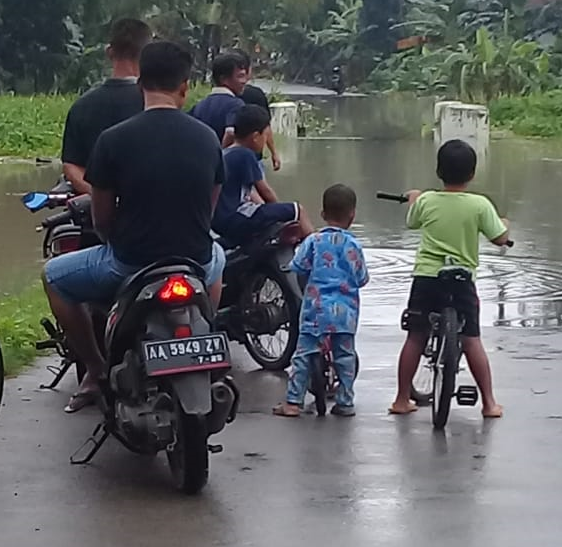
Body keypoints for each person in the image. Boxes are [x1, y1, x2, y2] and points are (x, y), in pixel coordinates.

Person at [44, 40, 227, 413]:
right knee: (218, 255)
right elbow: (209, 208)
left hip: (131, 263)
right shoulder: (208, 138)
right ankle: (204, 336)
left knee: (53, 277)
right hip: (194, 261)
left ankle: (95, 368)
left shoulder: (113, 140)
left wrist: (117, 239)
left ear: (141, 83)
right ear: (184, 86)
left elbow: (102, 218)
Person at [389, 139, 510, 419]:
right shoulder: (480, 205)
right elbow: (500, 238)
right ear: (472, 174)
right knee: (471, 340)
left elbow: (412, 222)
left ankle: (401, 399)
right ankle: (490, 403)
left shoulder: (428, 200)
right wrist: (505, 225)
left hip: (427, 277)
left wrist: (415, 199)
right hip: (462, 280)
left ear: (438, 171)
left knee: (416, 336)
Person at [274, 184, 368, 419]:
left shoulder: (314, 241)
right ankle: (345, 403)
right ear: (352, 215)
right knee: (345, 357)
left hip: (315, 310)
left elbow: (297, 267)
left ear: (323, 214)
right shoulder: (354, 245)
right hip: (346, 313)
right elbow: (362, 278)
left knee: (303, 355)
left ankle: (293, 403)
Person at [60, 18, 151, 196]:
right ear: (147, 54)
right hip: (145, 212)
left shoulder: (82, 106)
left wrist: (99, 196)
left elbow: (71, 166)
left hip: (94, 210)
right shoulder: (154, 103)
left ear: (109, 52)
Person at [213, 106, 312, 247]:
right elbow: (265, 191)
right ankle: (316, 250)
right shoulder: (245, 155)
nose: (266, 141)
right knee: (298, 210)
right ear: (255, 137)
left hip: (220, 221)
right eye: (265, 136)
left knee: (267, 214)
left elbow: (252, 193)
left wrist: (270, 211)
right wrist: (279, 211)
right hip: (236, 218)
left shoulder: (228, 152)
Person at [233, 48, 281, 171]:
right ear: (248, 71)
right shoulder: (256, 95)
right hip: (253, 159)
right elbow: (266, 126)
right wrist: (274, 152)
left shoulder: (216, 99)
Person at [190, 51, 249, 145]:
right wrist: (222, 154)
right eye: (240, 76)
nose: (244, 81)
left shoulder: (200, 105)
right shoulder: (236, 104)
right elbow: (230, 133)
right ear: (223, 79)